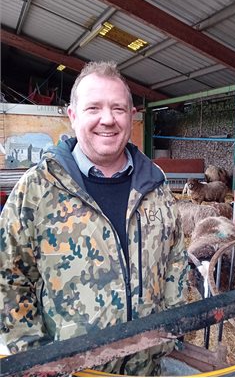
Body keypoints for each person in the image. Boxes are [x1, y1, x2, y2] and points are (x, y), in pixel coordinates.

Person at [0, 61, 188, 376]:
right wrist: (36, 359)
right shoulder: (38, 188)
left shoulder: (154, 185)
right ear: (72, 116)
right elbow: (9, 278)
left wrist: (171, 332)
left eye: (118, 108)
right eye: (93, 108)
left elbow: (176, 263)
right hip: (71, 373)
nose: (107, 120)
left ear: (131, 116)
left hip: (148, 369)